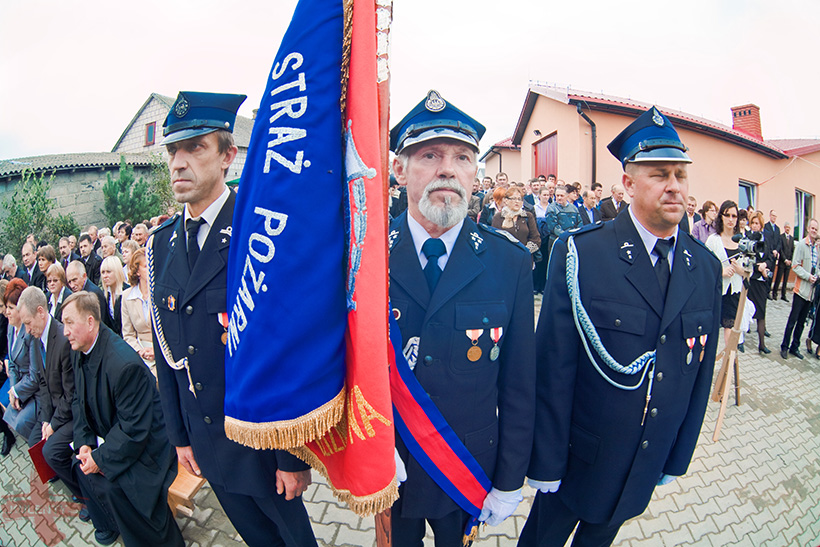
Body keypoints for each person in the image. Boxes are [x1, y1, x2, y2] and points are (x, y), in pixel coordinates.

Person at [520, 106, 721, 547]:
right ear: (628, 184)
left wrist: (676, 456)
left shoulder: (704, 268)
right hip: (579, 460)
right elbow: (552, 370)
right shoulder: (584, 255)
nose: (674, 186)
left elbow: (698, 375)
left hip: (642, 463)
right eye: (658, 174)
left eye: (680, 175)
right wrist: (546, 463)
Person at [150, 91, 317, 546]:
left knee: (293, 540)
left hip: (261, 444)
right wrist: (179, 437)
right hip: (205, 443)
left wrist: (291, 455)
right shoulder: (160, 244)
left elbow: (286, 349)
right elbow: (169, 356)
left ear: (229, 156)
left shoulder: (260, 230)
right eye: (172, 151)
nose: (178, 162)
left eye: (195, 147)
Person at [388, 90, 535, 544]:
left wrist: (510, 479)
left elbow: (518, 384)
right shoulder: (363, 256)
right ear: (399, 170)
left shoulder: (508, 262)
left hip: (465, 464)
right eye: (429, 155)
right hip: (391, 465)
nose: (447, 168)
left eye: (463, 157)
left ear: (476, 173)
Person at [60, 292, 185, 546]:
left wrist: (99, 458)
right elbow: (78, 400)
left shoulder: (123, 364)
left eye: (69, 322)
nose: (65, 331)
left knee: (118, 488)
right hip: (119, 436)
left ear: (91, 321)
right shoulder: (79, 349)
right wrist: (84, 443)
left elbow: (134, 430)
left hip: (150, 446)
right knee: (81, 467)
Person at [705, 201, 744, 349]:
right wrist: (720, 272)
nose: (730, 219)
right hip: (716, 292)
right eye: (727, 215)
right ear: (721, 216)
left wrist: (741, 271)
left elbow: (749, 270)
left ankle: (728, 367)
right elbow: (705, 267)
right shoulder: (713, 240)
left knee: (731, 331)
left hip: (734, 293)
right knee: (711, 332)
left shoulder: (742, 241)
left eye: (734, 216)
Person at [3, 279, 37, 447]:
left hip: (36, 389)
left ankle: (41, 452)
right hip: (21, 386)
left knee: (22, 422)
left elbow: (35, 373)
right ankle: (37, 451)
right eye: (6, 307)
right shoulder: (11, 328)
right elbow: (13, 366)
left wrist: (17, 391)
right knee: (9, 415)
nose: (6, 313)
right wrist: (13, 390)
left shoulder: (29, 331)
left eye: (10, 308)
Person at [780, 219, 819, 360]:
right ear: (808, 229)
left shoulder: (817, 248)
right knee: (793, 320)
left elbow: (818, 265)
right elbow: (795, 266)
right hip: (800, 290)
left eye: (816, 229)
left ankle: (794, 347)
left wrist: (817, 275)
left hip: (810, 293)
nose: (814, 231)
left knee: (802, 323)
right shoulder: (802, 245)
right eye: (812, 228)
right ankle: (784, 346)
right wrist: (808, 276)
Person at [121, 249, 155, 377]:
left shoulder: (160, 293)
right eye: (146, 266)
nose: (151, 269)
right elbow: (128, 334)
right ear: (137, 271)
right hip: (140, 356)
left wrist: (155, 351)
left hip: (161, 354)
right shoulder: (126, 297)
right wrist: (140, 351)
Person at [745, 212, 775, 354]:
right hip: (752, 281)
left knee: (761, 313)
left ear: (761, 225)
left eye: (757, 223)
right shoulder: (748, 239)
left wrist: (765, 265)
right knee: (746, 312)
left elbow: (770, 257)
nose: (755, 225)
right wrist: (759, 267)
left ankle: (762, 344)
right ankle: (740, 341)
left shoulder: (766, 239)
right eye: (753, 223)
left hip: (763, 281)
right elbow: (747, 260)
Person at [491, 186, 541, 262]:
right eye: (513, 198)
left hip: (524, 258)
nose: (517, 201)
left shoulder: (528, 216)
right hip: (505, 259)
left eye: (519, 199)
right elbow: (494, 239)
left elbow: (536, 238)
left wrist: (524, 251)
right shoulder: (498, 217)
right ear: (506, 200)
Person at [66, 261, 114, 330]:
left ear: (84, 276)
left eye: (74, 280)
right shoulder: (79, 293)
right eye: (69, 282)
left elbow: (101, 324)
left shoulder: (94, 294)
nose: (72, 285)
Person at [544, 185, 582, 254]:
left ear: (567, 196)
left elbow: (579, 223)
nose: (559, 198)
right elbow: (553, 226)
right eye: (557, 195)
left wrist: (575, 235)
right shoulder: (551, 208)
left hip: (572, 241)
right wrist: (566, 236)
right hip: (556, 241)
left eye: (561, 195)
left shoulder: (574, 208)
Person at [99, 256, 127, 337]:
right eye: (103, 272)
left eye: (108, 272)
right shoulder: (106, 295)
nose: (105, 276)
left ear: (117, 272)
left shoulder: (127, 292)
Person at [772, 222, 794, 301]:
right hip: (782, 261)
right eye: (786, 227)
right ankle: (774, 293)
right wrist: (785, 260)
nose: (787, 229)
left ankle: (783, 295)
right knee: (778, 278)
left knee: (786, 279)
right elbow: (780, 249)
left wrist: (790, 260)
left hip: (789, 263)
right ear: (784, 228)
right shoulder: (781, 237)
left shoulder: (791, 238)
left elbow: (792, 250)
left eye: (789, 227)